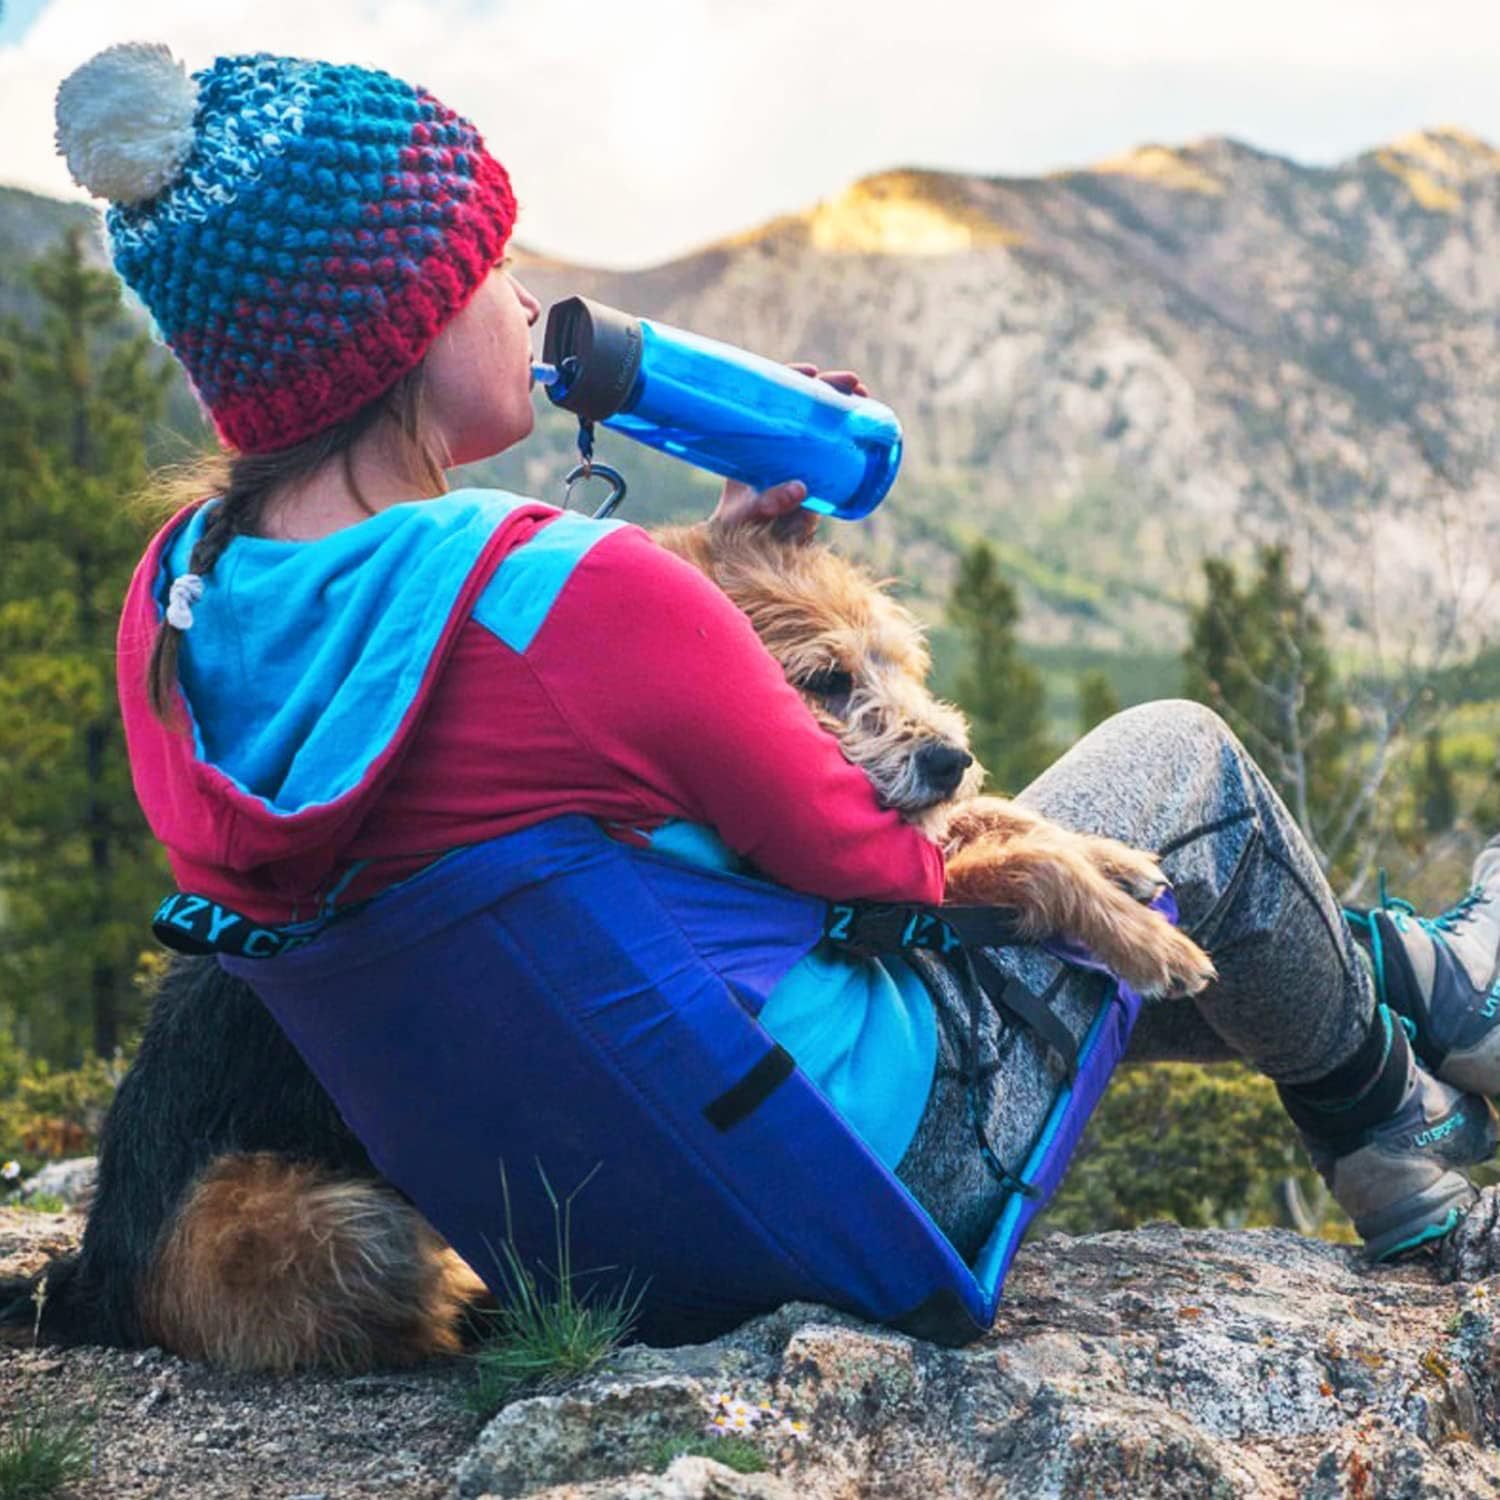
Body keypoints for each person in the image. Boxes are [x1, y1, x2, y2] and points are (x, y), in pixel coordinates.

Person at [56, 42, 1500, 1276]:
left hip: (585, 1220)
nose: (519, 297)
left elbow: (565, 754)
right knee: (1181, 761)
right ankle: (1423, 1070)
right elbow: (894, 863)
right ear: (401, 322)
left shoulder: (181, 614)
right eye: (489, 265)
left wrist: (715, 576)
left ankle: (1423, 1019)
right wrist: (683, 600)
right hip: (844, 1177)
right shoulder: (584, 597)